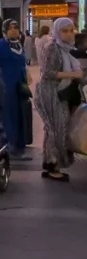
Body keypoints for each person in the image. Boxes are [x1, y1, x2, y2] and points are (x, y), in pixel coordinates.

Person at [35, 17, 84, 182]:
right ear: (57, 31)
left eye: (71, 30)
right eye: (65, 31)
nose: (69, 34)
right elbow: (48, 73)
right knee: (56, 128)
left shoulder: (66, 48)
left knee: (57, 128)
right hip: (50, 93)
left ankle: (51, 163)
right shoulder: (52, 47)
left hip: (60, 92)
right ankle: (52, 166)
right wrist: (74, 74)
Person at [0, 13, 32, 161]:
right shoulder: (0, 45)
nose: (14, 31)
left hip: (20, 87)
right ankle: (8, 147)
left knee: (21, 115)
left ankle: (19, 146)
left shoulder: (18, 45)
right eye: (10, 28)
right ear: (5, 30)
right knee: (8, 116)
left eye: (16, 28)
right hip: (6, 86)